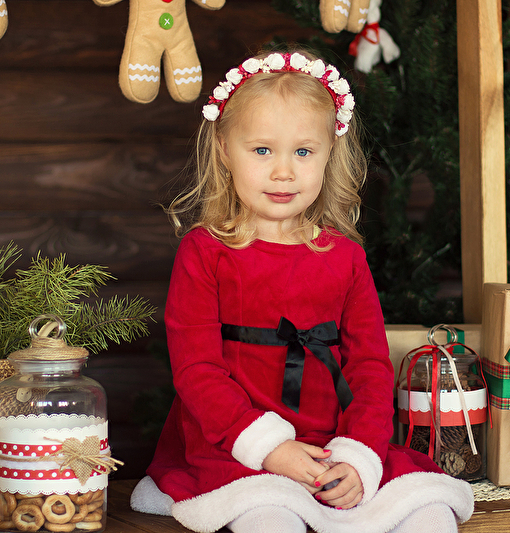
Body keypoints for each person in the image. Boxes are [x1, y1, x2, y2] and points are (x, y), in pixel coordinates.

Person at [130, 49, 474, 533]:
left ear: (329, 152)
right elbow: (197, 371)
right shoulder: (205, 252)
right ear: (225, 150)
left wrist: (358, 455)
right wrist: (270, 448)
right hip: (237, 444)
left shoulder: (345, 256)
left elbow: (370, 368)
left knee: (429, 510)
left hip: (334, 443)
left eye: (303, 152)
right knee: (272, 518)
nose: (284, 172)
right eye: (262, 150)